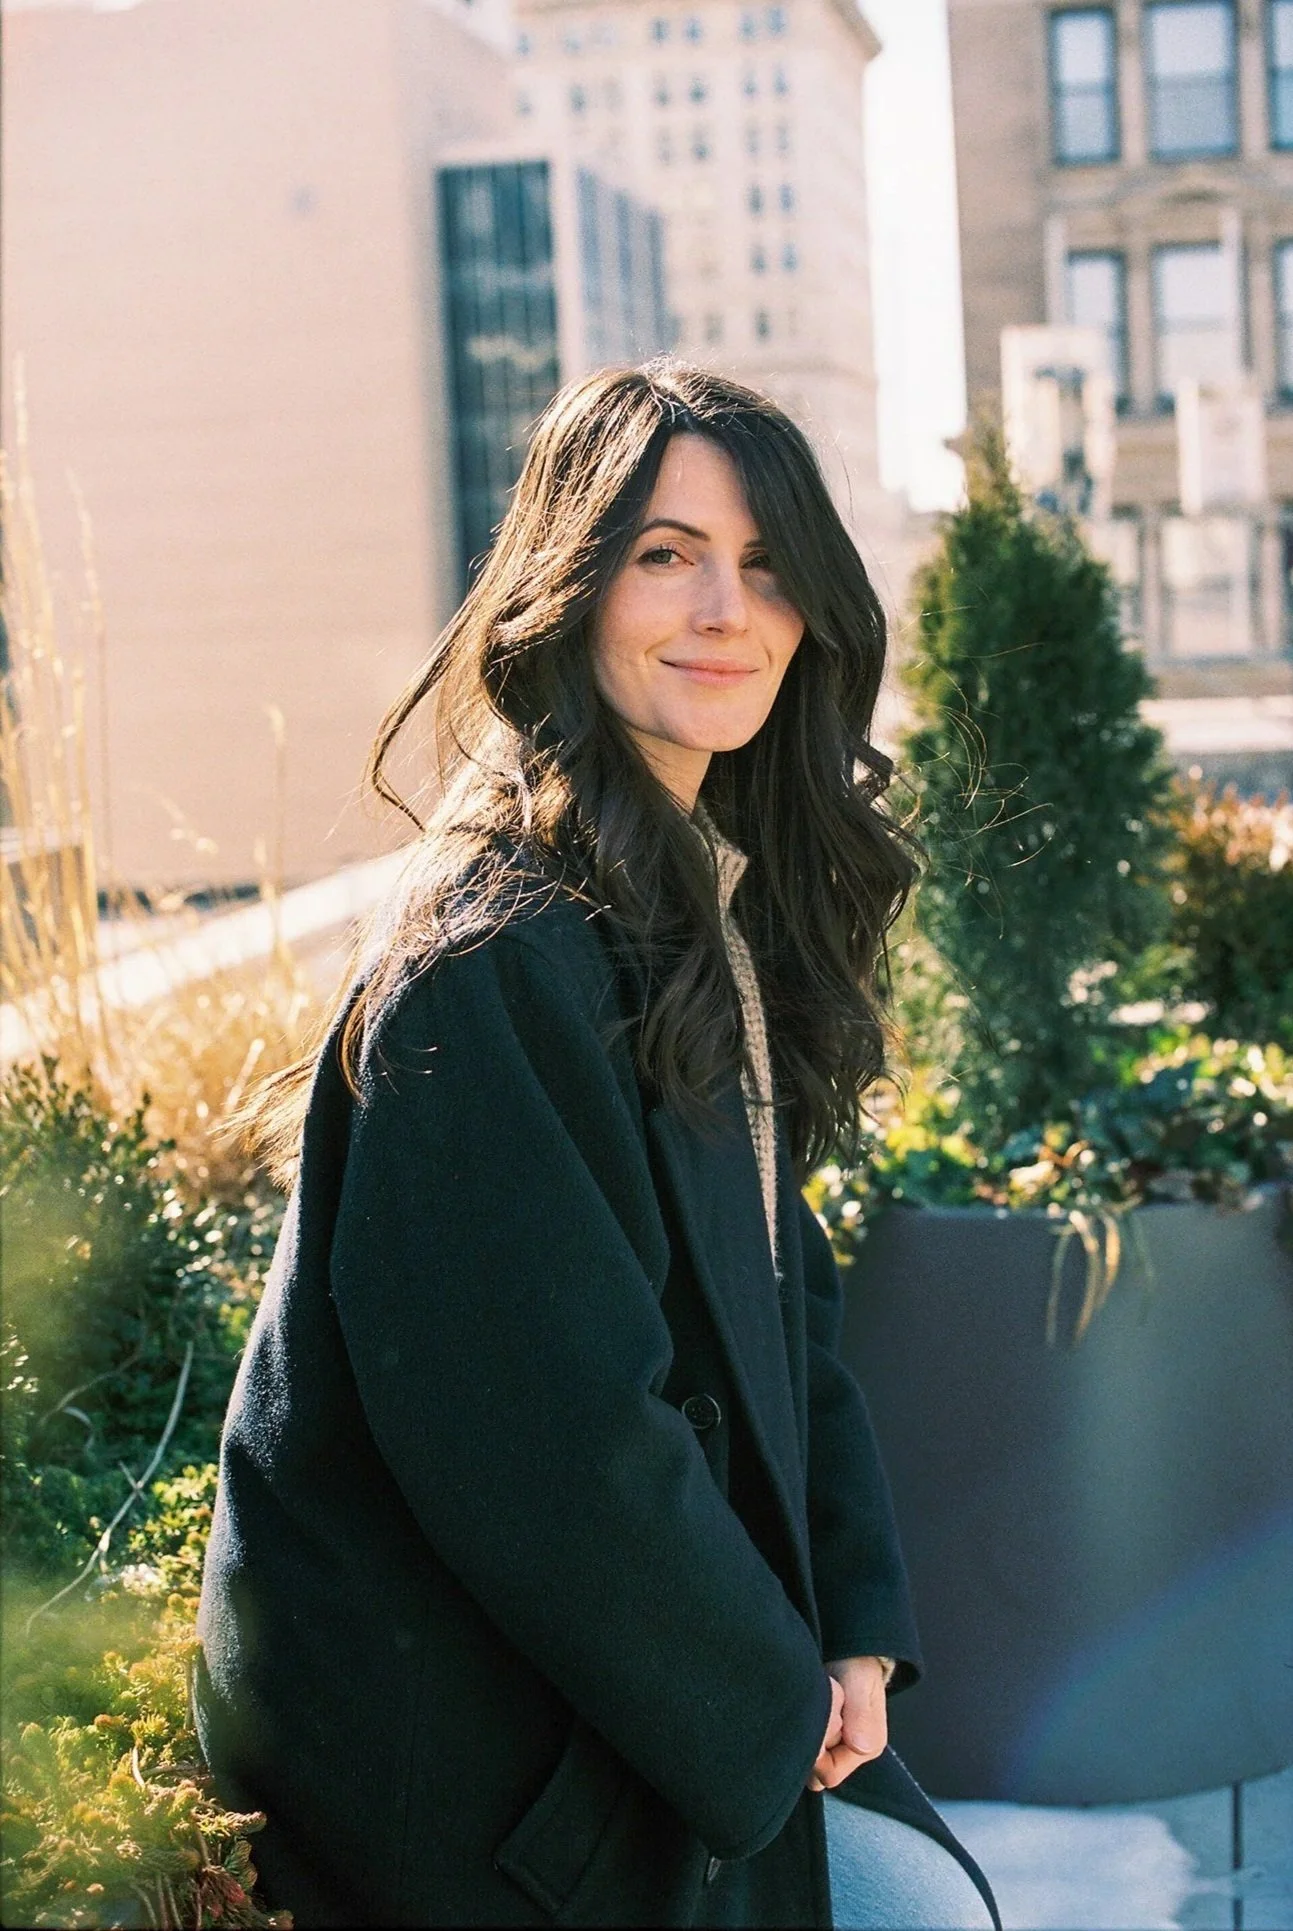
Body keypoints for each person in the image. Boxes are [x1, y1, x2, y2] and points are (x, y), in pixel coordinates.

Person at [195, 362, 1000, 1930]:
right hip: (480, 1752)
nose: (727, 607)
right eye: (664, 553)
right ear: (567, 587)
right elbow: (554, 1446)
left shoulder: (694, 894)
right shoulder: (496, 954)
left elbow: (785, 1301)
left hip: (643, 1696)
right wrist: (770, 1710)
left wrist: (851, 1629)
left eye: (766, 562)